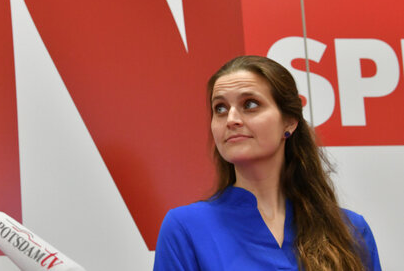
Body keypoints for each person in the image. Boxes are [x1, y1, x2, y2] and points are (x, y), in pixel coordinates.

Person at [153, 56, 381, 270]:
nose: (231, 119)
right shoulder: (186, 228)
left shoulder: (350, 230)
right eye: (220, 108)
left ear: (289, 122)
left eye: (250, 104)